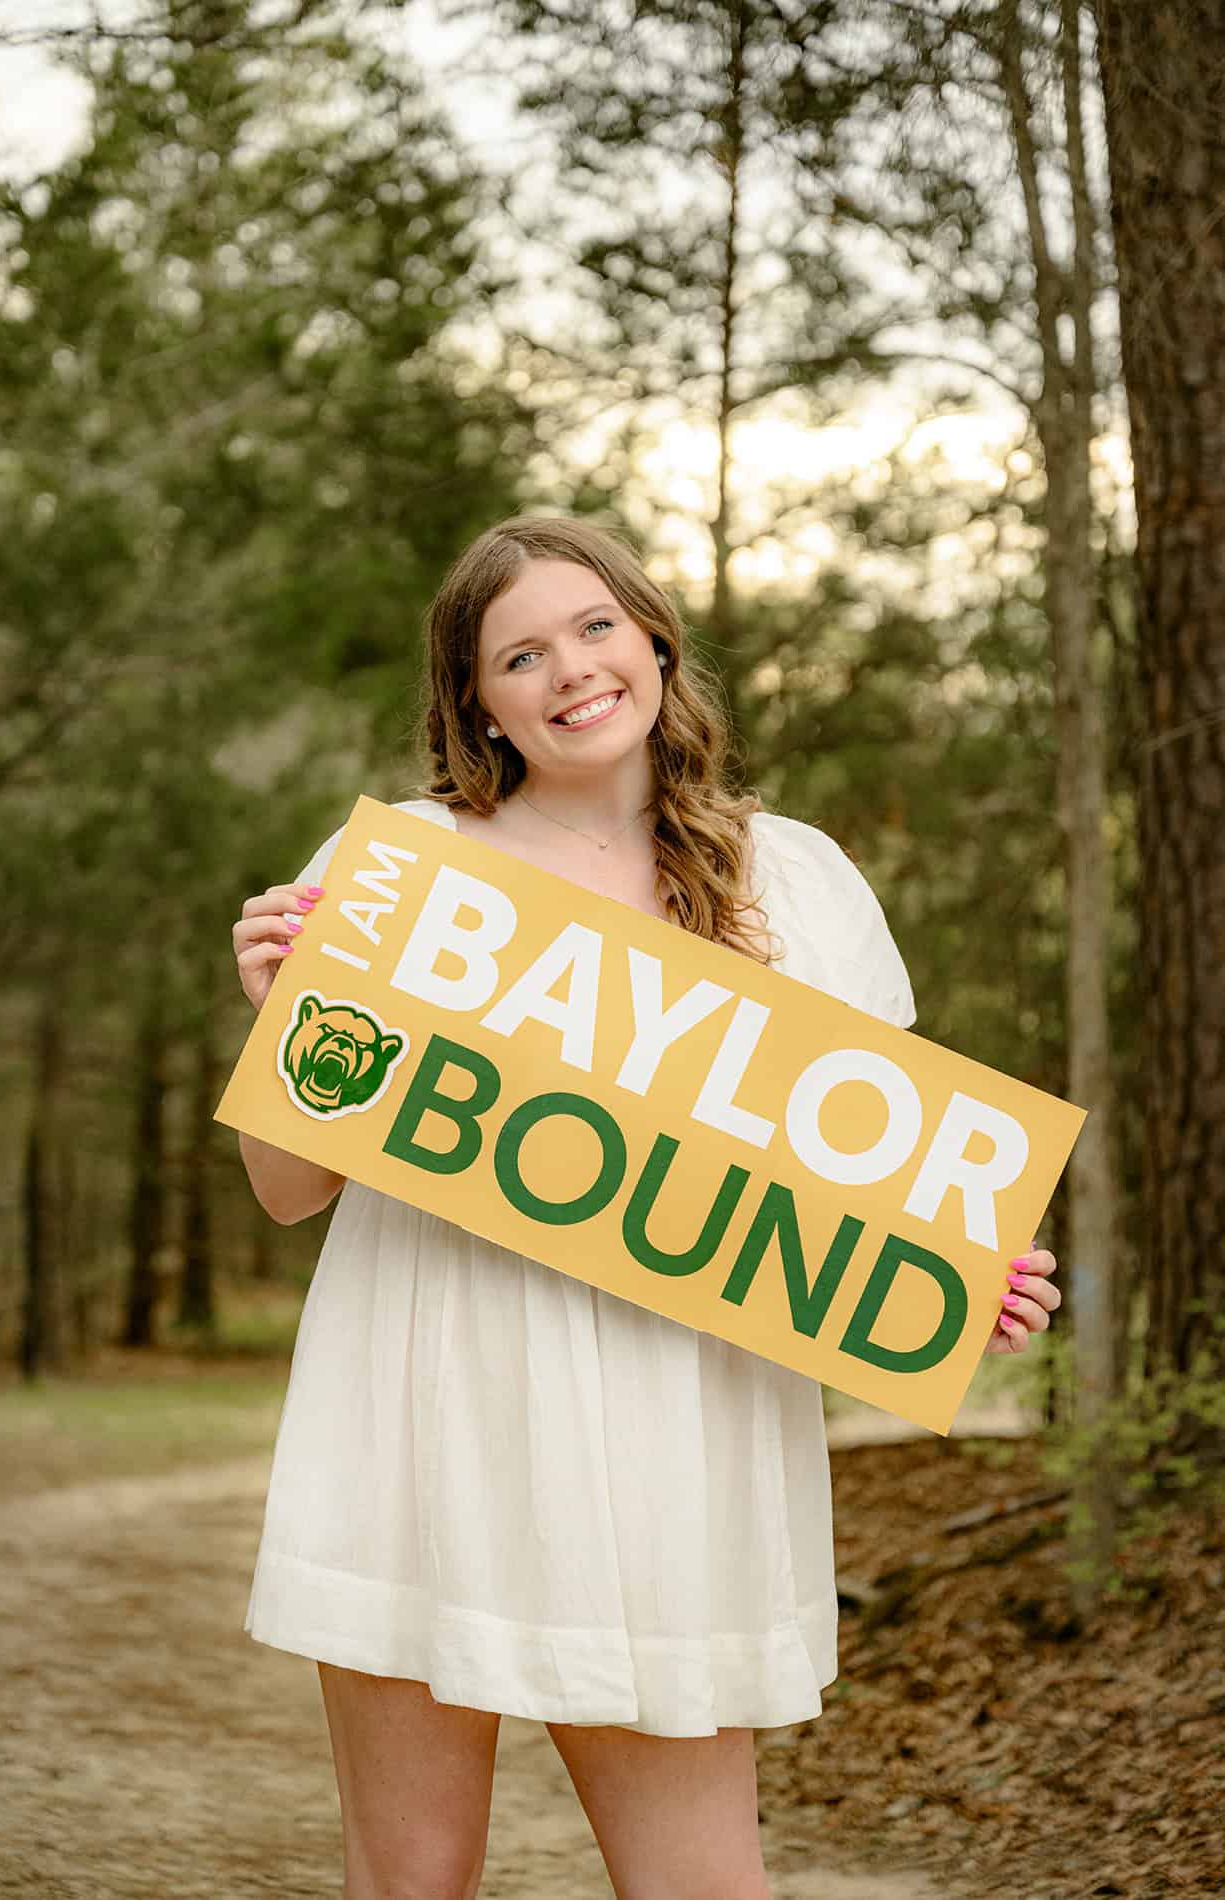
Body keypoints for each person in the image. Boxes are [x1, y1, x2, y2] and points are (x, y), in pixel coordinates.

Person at [230, 513, 1061, 1900]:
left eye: (595, 628)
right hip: (432, 1403)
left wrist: (957, 1281)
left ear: (654, 636)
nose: (571, 673)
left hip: (681, 1438)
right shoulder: (408, 871)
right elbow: (285, 1188)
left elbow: (869, 1191)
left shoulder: (796, 881)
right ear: (477, 702)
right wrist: (282, 1023)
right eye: (522, 656)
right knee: (411, 1881)